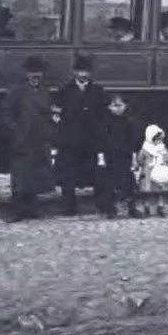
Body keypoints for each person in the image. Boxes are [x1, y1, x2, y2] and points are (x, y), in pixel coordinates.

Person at [0, 55, 56, 222]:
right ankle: (18, 209)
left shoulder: (45, 90)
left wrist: (50, 124)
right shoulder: (17, 90)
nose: (35, 75)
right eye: (32, 72)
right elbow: (6, 113)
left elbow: (48, 110)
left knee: (35, 173)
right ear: (26, 73)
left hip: (40, 137)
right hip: (22, 138)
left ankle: (32, 208)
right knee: (20, 174)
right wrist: (16, 129)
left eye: (38, 72)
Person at [56, 55, 106, 215]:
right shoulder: (65, 91)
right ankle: (69, 206)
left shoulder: (98, 91)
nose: (83, 75)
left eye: (86, 72)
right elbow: (58, 116)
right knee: (68, 173)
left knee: (96, 171)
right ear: (74, 72)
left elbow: (103, 115)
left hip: (91, 138)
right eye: (80, 71)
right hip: (71, 138)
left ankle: (100, 203)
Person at [96, 94, 143, 219]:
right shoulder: (105, 122)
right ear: (109, 107)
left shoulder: (129, 121)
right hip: (110, 155)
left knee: (129, 182)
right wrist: (101, 157)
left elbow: (133, 140)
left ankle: (131, 207)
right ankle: (110, 209)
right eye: (114, 106)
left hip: (125, 155)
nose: (118, 108)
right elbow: (100, 140)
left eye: (120, 105)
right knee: (109, 183)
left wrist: (134, 156)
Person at [135, 125, 168, 217]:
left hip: (160, 173)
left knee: (160, 192)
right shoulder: (145, 150)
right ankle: (146, 208)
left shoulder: (163, 149)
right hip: (148, 174)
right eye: (156, 139)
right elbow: (140, 160)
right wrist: (138, 166)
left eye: (160, 139)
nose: (159, 141)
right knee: (147, 193)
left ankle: (160, 207)